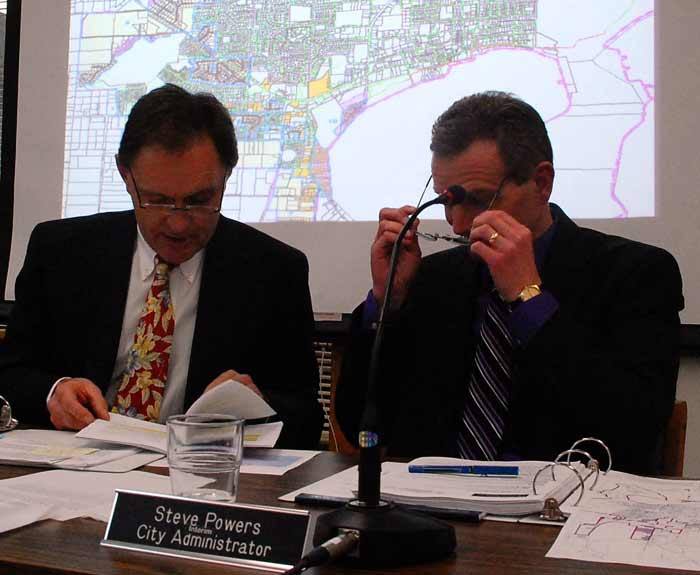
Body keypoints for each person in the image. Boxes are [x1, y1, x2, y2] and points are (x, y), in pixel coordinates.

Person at [336, 91, 683, 474]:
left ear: (541, 182)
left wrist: (530, 299)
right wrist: (388, 302)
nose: (459, 224)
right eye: (446, 201)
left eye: (479, 200)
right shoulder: (435, 279)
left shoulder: (635, 274)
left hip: (560, 510)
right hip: (431, 508)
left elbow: (633, 431)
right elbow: (360, 427)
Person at [0, 84, 323, 448]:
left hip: (199, 477)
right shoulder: (61, 252)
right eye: (157, 201)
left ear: (226, 177)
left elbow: (306, 421)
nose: (178, 223)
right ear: (126, 176)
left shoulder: (273, 272)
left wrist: (258, 404)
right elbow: (10, 373)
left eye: (200, 201)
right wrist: (53, 392)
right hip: (74, 466)